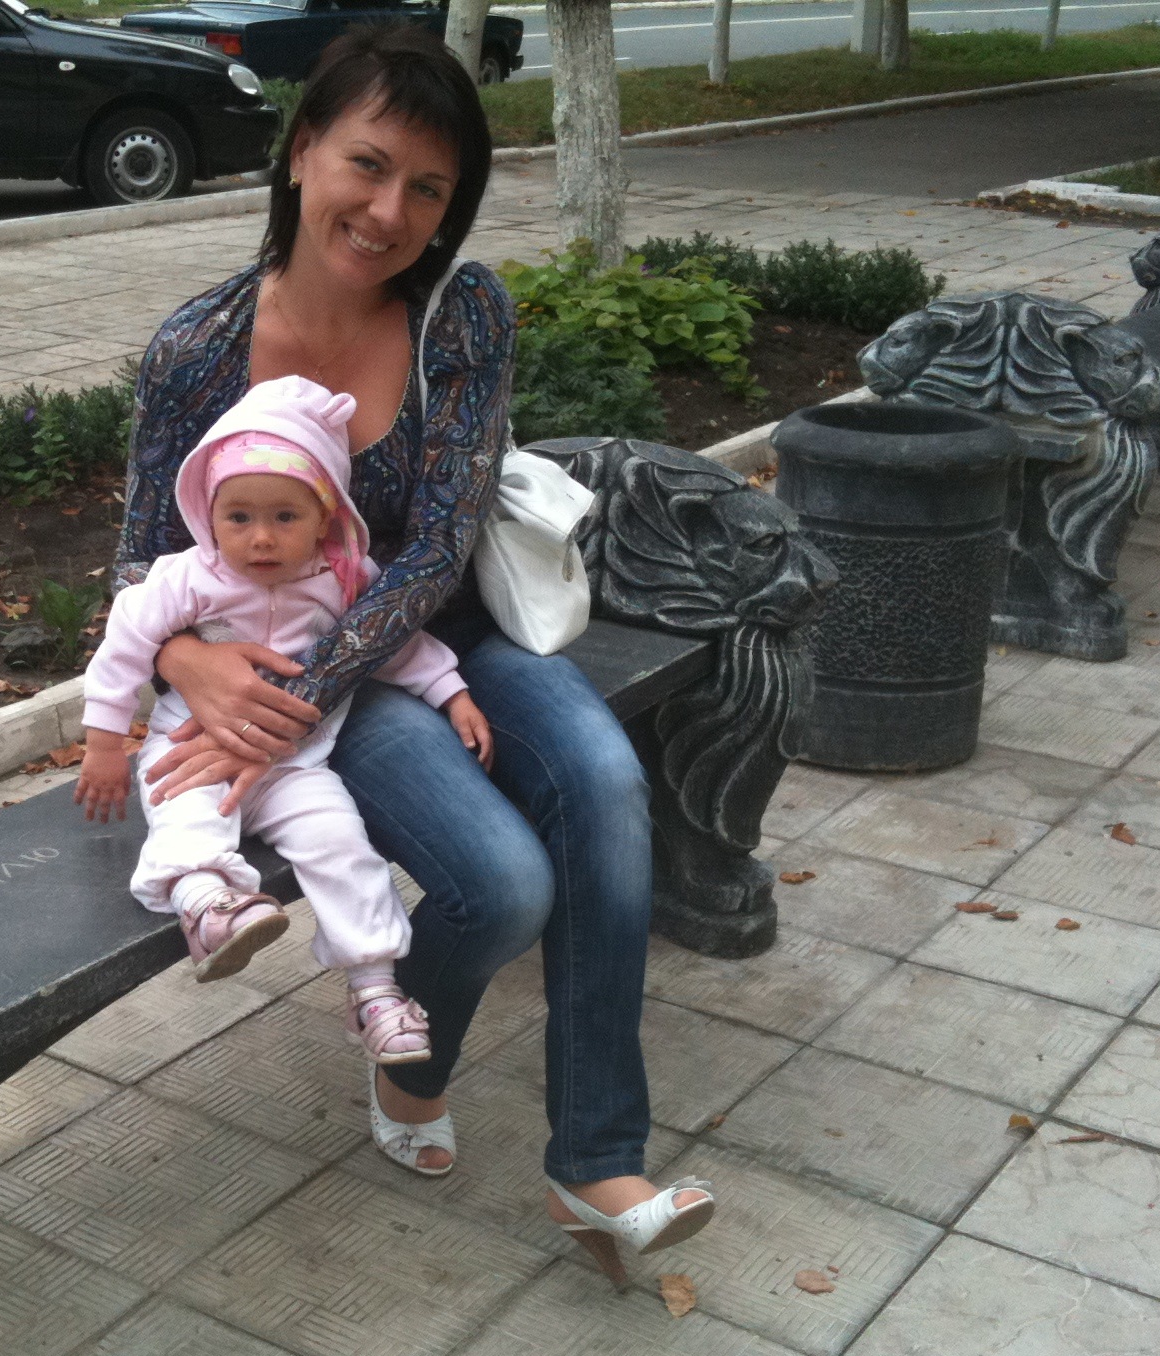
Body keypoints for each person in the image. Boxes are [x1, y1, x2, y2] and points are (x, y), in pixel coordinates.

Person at [113, 24, 714, 1274]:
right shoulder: (197, 349)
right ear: (299, 153)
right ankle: (408, 1062)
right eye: (367, 165)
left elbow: (440, 543)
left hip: (434, 643)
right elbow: (134, 562)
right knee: (501, 884)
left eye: (428, 189)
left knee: (604, 780)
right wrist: (183, 664)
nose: (389, 213)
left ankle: (596, 1162)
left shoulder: (460, 313)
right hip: (300, 674)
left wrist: (297, 697)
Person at [75, 373, 494, 1067]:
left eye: (285, 517)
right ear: (209, 515)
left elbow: (397, 645)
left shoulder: (342, 580)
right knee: (183, 807)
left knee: (343, 846)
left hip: (298, 765)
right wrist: (103, 742)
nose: (261, 538)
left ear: (326, 517)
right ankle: (207, 905)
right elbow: (123, 646)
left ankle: (375, 990)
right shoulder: (188, 577)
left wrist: (452, 692)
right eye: (238, 517)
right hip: (194, 746)